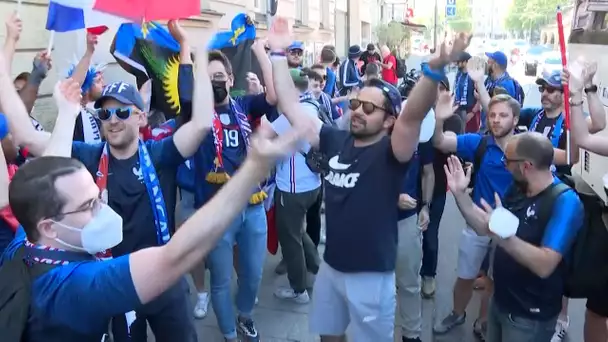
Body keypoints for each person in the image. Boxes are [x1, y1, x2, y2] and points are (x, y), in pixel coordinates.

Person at [0, 82, 303, 342]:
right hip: (119, 278)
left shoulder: (25, 242)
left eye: (122, 111)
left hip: (162, 287)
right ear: (49, 226)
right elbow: (31, 143)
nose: (112, 120)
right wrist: (254, 169)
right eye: (104, 113)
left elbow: (199, 124)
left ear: (141, 117)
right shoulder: (84, 281)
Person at [267, 17, 471, 341]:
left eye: (369, 108)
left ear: (389, 119)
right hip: (331, 268)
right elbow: (291, 107)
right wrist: (276, 53)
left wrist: (435, 68)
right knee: (328, 336)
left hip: (371, 277)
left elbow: (413, 115)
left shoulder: (392, 152)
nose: (358, 110)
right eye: (356, 103)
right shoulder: (335, 139)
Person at [444, 132, 583, 342]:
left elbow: (545, 264)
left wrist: (505, 238)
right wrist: (461, 195)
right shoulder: (519, 189)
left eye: (507, 160)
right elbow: (486, 228)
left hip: (529, 316)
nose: (504, 165)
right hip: (500, 300)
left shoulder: (565, 202)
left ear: (526, 166)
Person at [193, 41, 277, 342]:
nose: (216, 82)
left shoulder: (243, 106)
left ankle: (244, 316)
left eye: (220, 77)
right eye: (209, 77)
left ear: (231, 80)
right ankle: (229, 334)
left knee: (253, 274)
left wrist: (261, 52)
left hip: (252, 204)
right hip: (217, 211)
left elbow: (273, 95)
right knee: (220, 279)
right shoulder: (197, 114)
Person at [432, 94, 517, 335]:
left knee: (496, 280)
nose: (496, 120)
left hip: (510, 227)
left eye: (503, 115)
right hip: (476, 224)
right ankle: (458, 314)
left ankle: (484, 321)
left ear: (515, 119)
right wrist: (439, 119)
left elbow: (566, 158)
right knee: (466, 275)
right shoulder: (478, 143)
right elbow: (439, 141)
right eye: (492, 115)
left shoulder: (526, 147)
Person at [272, 68, 322, 303]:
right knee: (298, 231)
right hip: (313, 184)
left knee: (290, 239)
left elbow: (264, 137)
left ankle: (299, 290)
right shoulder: (314, 104)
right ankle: (315, 266)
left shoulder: (292, 114)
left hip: (292, 188)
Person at [396, 136, 434, 342]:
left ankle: (412, 334)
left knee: (409, 281)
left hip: (407, 220)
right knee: (374, 282)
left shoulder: (422, 135)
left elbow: (428, 172)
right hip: (373, 220)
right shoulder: (371, 133)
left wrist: (426, 207)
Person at [453, 52, 476, 128]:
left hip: (470, 111)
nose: (457, 63)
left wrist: (472, 112)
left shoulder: (474, 75)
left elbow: (480, 97)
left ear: (466, 62)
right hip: (458, 109)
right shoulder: (458, 74)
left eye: (459, 61)